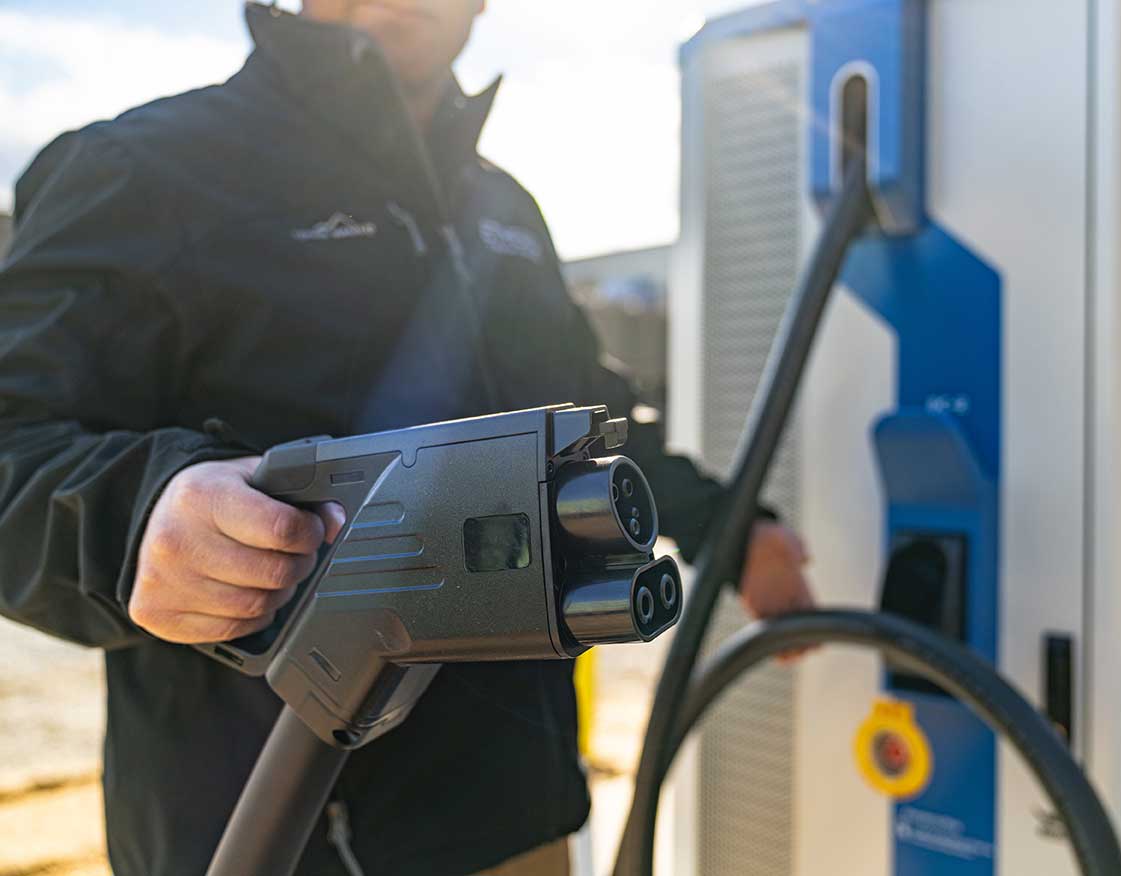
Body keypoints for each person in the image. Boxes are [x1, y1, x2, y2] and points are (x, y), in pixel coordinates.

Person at [0, 2, 815, 874]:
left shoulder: (503, 207)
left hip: (520, 816)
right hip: (269, 831)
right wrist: (136, 518)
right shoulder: (142, 169)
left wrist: (739, 530)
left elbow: (588, 413)